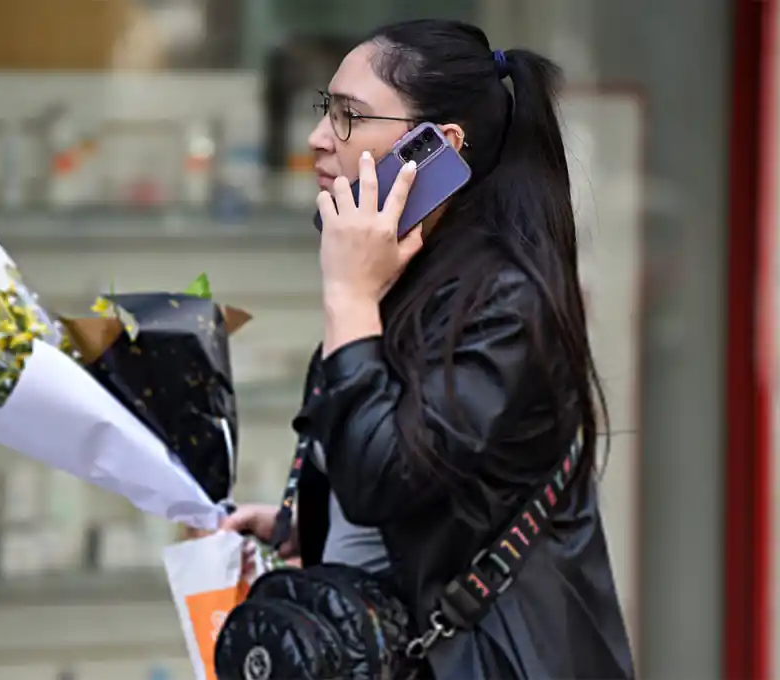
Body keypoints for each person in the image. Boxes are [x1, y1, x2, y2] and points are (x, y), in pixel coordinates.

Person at [223, 19, 635, 680]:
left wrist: (349, 299)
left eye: (350, 116)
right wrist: (307, 529)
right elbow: (428, 487)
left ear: (435, 149)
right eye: (324, 110)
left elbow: (385, 478)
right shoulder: (404, 277)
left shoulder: (506, 300)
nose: (318, 139)